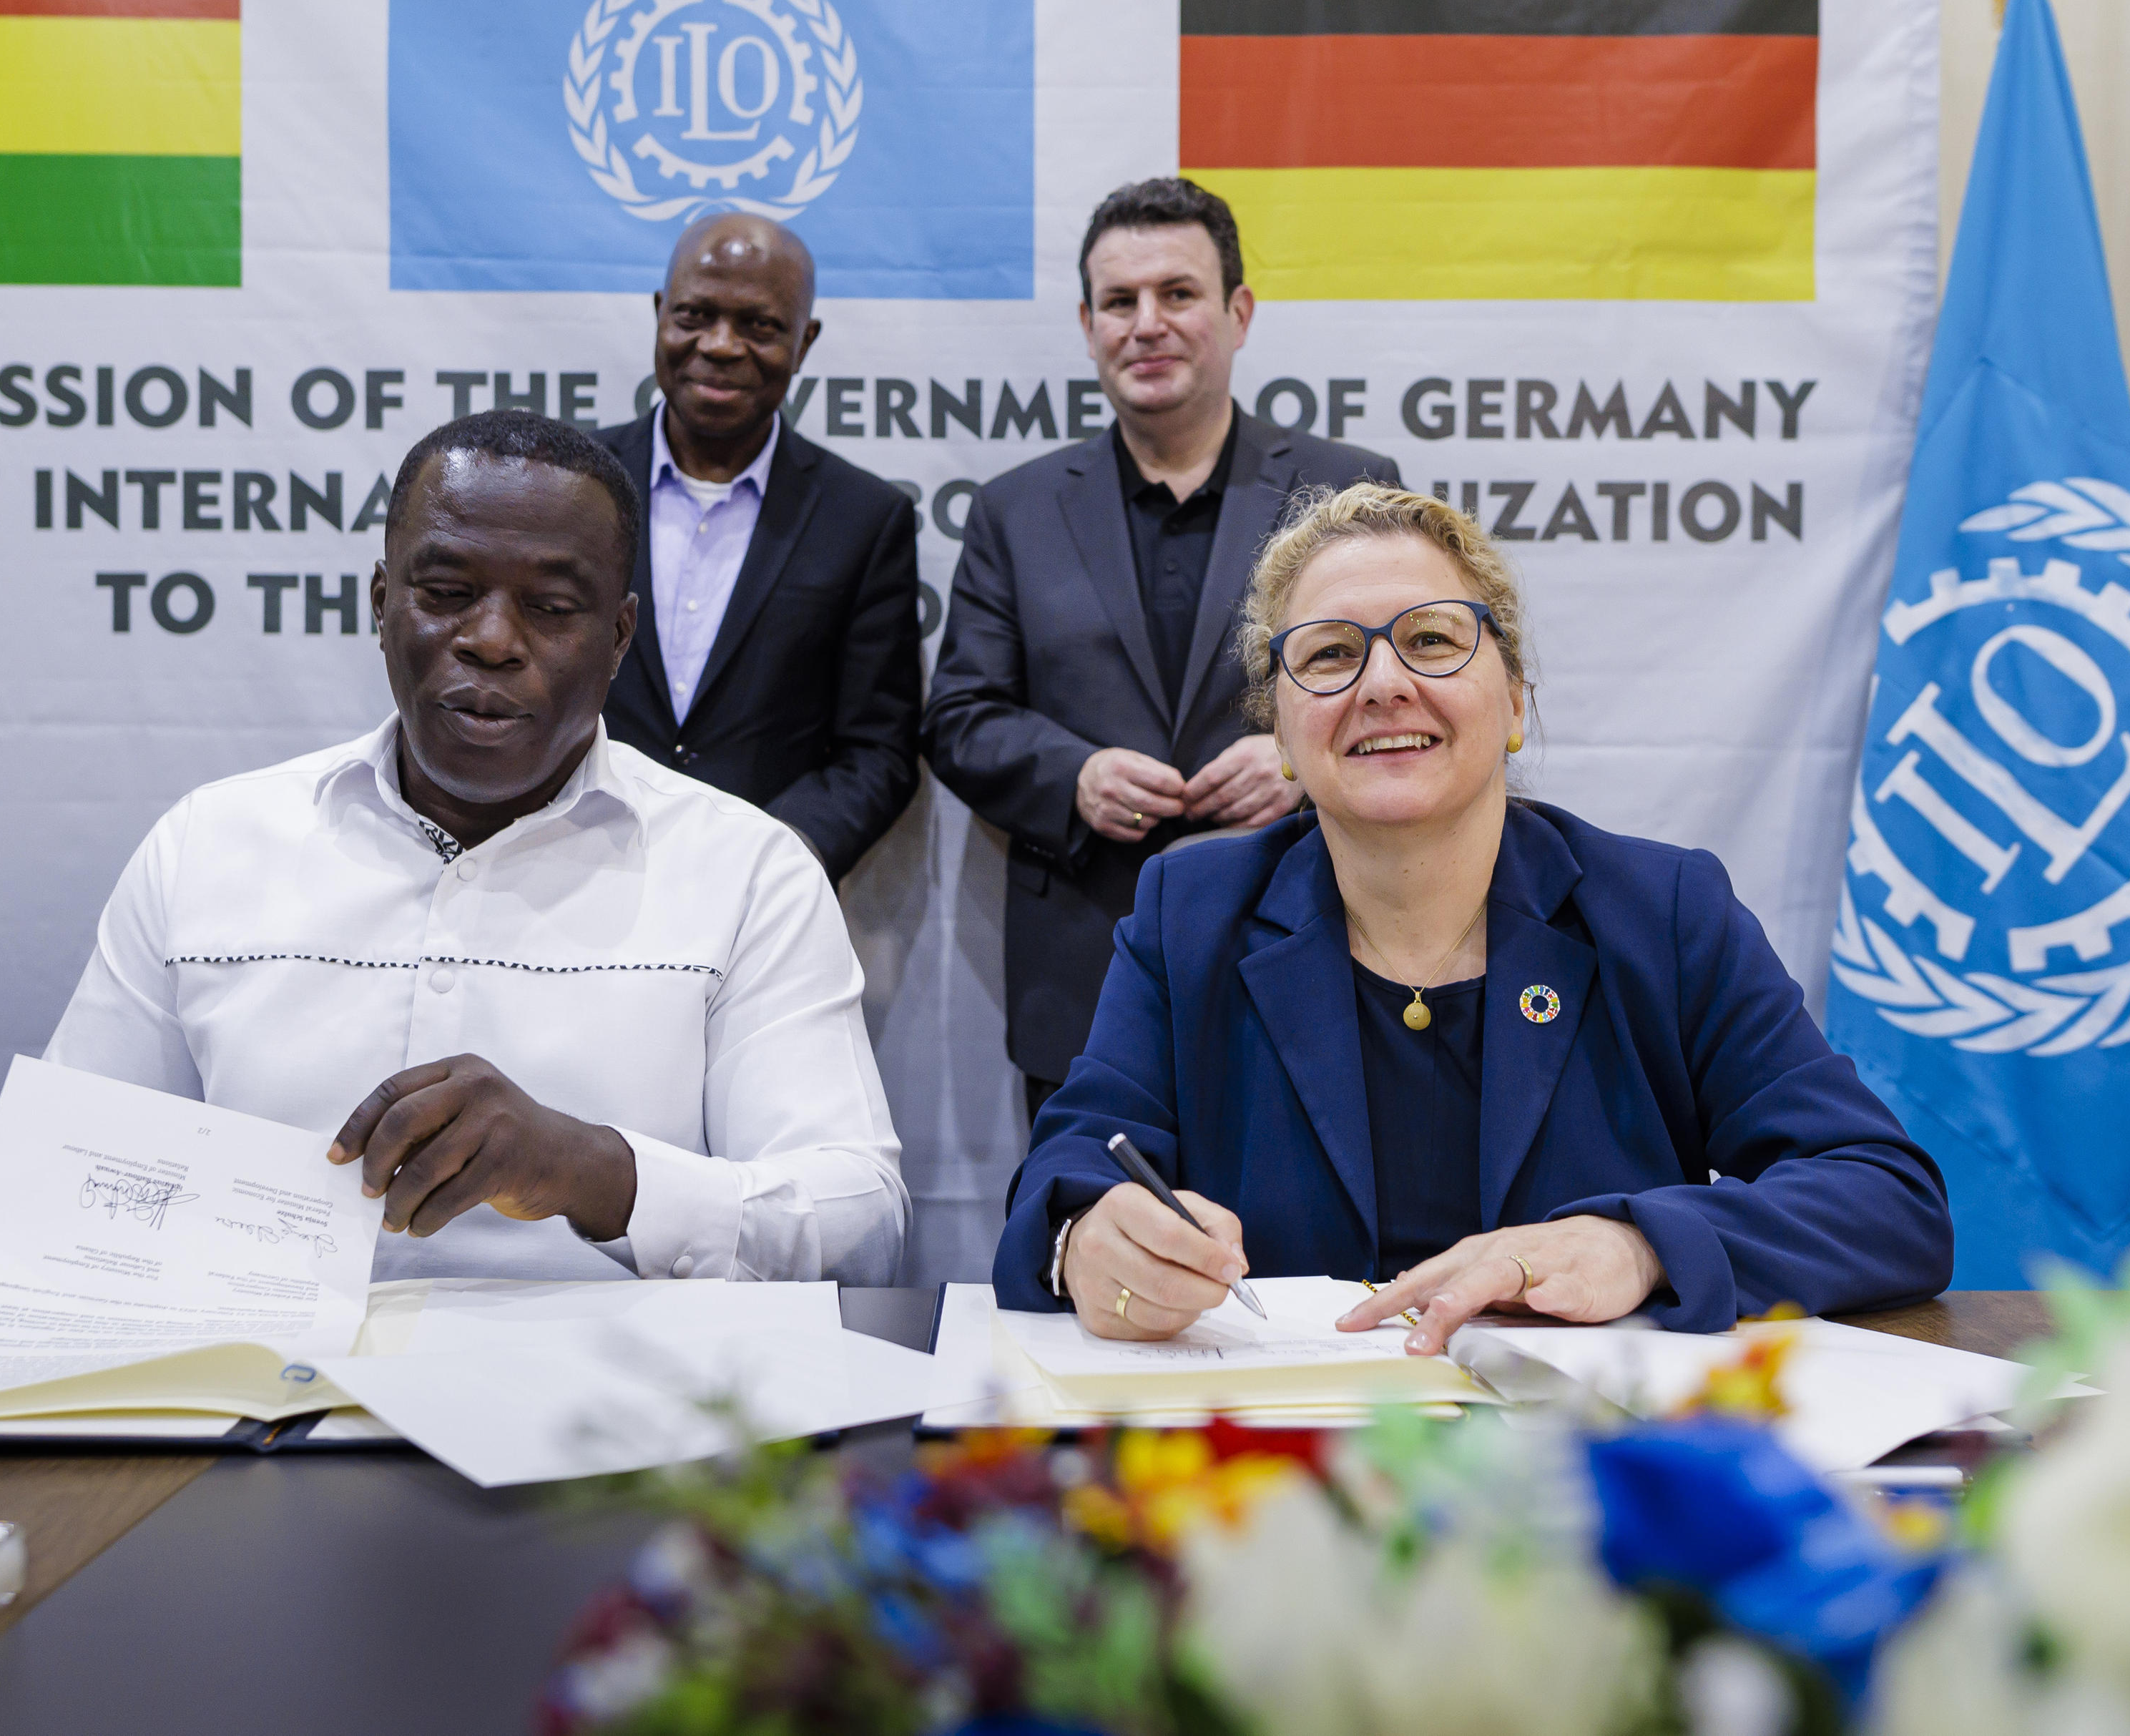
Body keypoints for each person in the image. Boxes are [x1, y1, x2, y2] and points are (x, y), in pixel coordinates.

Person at [0, 411, 908, 1292]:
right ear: (380, 603)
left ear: (619, 636)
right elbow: (88, 1157)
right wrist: (12, 1193)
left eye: (552, 609)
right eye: (446, 591)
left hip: (607, 1447)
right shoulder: (210, 846)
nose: (491, 639)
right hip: (241, 1417)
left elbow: (860, 1224)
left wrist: (589, 1169)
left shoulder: (746, 873)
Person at [991, 482, 1953, 1352]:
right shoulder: (1185, 914)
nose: (1381, 684)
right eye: (1328, 654)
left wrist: (1640, 1246)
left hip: (1587, 1480)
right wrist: (1088, 1238)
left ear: (1516, 700)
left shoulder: (1664, 913)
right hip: (1277, 1476)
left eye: (1433, 641)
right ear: (1281, 736)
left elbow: (1886, 1200)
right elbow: (1068, 1168)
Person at [926, 177, 1398, 1117]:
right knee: (1098, 1249)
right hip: (1087, 977)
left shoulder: (1350, 490)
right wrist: (1074, 776)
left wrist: (1302, 756)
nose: (1148, 324)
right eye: (1119, 301)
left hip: (1314, 942)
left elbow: (1407, 683)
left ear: (1238, 312)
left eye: (1177, 294)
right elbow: (959, 717)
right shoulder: (1015, 510)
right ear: (1089, 323)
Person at [595, 213, 923, 881]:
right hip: (564, 871)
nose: (720, 345)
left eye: (760, 326)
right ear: (661, 313)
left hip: (762, 905)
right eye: (695, 315)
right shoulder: (569, 487)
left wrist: (781, 853)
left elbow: (878, 751)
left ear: (805, 341)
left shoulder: (864, 518)